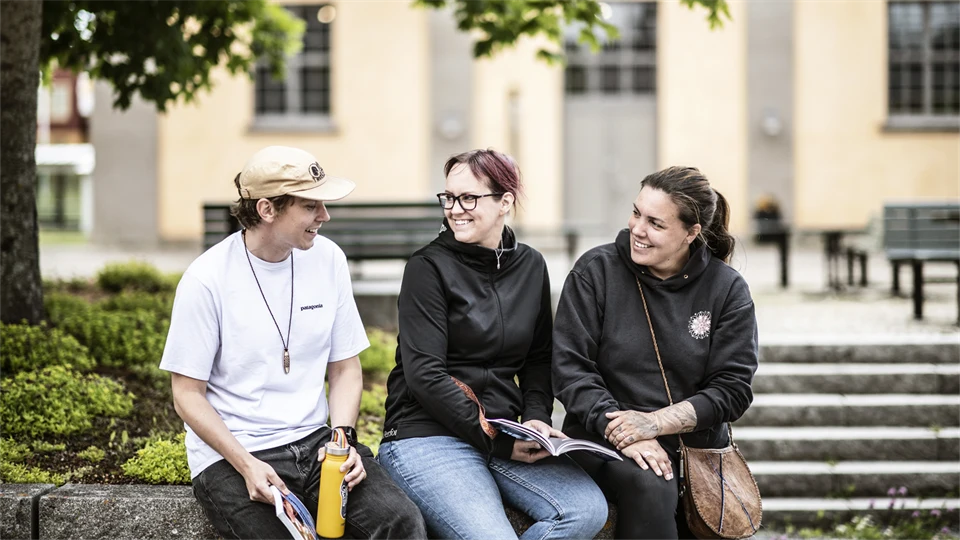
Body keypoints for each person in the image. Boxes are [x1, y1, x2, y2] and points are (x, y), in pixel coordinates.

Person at [159, 146, 427, 540]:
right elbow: (186, 395)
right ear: (267, 209)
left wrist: (343, 439)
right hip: (233, 456)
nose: (325, 216)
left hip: (318, 445)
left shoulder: (328, 259)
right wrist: (247, 464)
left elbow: (345, 368)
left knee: (401, 523)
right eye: (310, 206)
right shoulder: (206, 280)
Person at [376, 149, 609, 540]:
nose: (455, 209)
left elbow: (538, 357)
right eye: (448, 197)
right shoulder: (426, 268)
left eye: (468, 198)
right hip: (427, 435)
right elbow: (424, 375)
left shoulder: (531, 266)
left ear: (505, 202)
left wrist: (535, 417)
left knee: (586, 511)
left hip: (503, 431)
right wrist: (497, 442)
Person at [552, 166, 759, 540]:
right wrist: (625, 432)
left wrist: (653, 424)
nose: (637, 229)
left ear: (691, 232)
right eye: (636, 213)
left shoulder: (726, 288)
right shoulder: (595, 272)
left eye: (656, 223)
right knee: (652, 483)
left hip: (698, 453)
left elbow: (732, 390)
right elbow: (570, 370)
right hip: (600, 438)